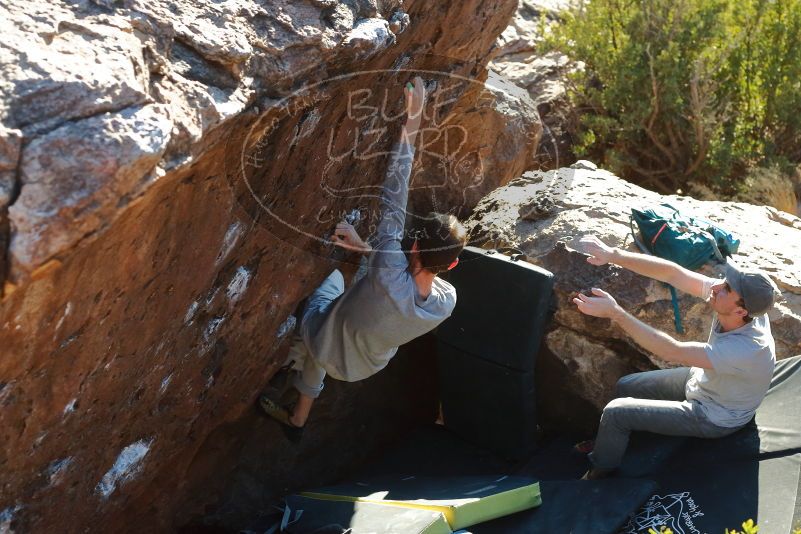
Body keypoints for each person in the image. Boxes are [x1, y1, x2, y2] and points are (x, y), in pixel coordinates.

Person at [259, 77, 466, 439]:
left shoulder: (390, 260)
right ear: (452, 265)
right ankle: (298, 421)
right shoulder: (446, 303)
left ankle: (292, 358)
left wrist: (413, 120)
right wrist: (367, 250)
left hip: (325, 338)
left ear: (413, 246)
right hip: (361, 365)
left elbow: (394, 190)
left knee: (332, 282)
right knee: (342, 324)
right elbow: (395, 278)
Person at [573, 234, 778, 479]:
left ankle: (598, 472)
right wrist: (611, 254)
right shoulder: (740, 306)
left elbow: (672, 351)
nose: (715, 286)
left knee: (617, 412)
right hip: (703, 380)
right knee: (625, 386)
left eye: (726, 288)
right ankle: (610, 442)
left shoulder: (747, 349)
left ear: (740, 310)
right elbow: (674, 274)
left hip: (714, 415)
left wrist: (615, 313)